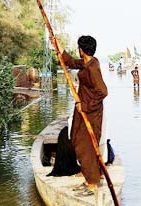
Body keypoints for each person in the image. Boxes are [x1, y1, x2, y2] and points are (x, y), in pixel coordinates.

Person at [56, 35, 107, 196]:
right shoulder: (86, 63)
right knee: (76, 138)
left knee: (86, 145)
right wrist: (59, 47)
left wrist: (84, 106)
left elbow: (103, 92)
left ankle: (92, 183)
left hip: (90, 111)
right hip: (82, 109)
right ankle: (89, 176)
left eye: (79, 47)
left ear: (82, 50)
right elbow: (71, 63)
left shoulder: (93, 67)